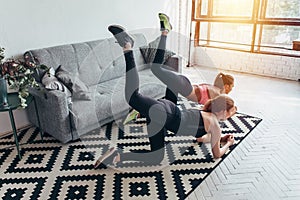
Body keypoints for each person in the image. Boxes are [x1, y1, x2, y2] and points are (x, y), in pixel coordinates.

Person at [94, 13, 236, 168]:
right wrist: (227, 144)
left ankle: (117, 155)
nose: (229, 117)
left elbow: (202, 139)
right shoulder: (215, 124)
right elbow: (216, 155)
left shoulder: (208, 117)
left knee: (156, 157)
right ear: (223, 110)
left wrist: (221, 139)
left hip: (164, 116)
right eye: (231, 113)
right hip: (166, 113)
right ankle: (127, 47)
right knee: (133, 97)